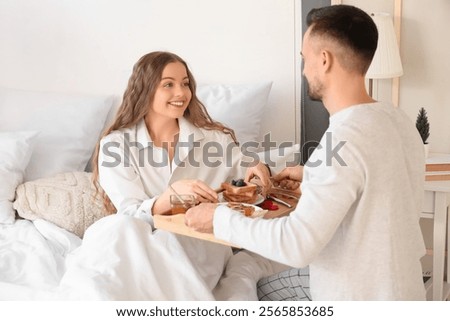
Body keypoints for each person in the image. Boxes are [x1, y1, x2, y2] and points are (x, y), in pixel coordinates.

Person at [185, 5, 427, 300]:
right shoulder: (395, 118)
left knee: (245, 282)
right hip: (404, 289)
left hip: (358, 297)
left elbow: (296, 244)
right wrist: (313, 178)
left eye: (305, 59)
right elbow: (375, 187)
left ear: (324, 60)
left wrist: (218, 218)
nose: (303, 70)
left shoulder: (343, 137)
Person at [57, 51, 277, 300]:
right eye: (168, 85)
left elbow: (250, 175)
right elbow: (129, 213)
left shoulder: (214, 140)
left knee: (158, 244)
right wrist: (169, 199)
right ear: (145, 89)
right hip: (134, 241)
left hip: (196, 245)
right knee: (116, 229)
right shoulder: (116, 145)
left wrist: (261, 171)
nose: (181, 93)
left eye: (185, 84)